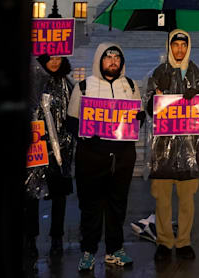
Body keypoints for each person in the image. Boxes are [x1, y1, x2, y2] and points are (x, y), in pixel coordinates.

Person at [67, 43, 144, 271]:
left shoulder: (130, 86)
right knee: (90, 206)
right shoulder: (83, 87)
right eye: (108, 57)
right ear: (99, 60)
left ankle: (114, 250)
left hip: (122, 157)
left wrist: (139, 117)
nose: (113, 61)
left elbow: (138, 119)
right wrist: (88, 136)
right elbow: (71, 121)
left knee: (117, 205)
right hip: (91, 157)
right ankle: (88, 251)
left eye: (117, 58)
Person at [144, 30, 199, 261]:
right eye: (176, 45)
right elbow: (148, 108)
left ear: (188, 47)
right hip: (162, 148)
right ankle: (164, 241)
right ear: (169, 47)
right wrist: (156, 96)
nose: (179, 49)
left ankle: (183, 241)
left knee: (186, 199)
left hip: (189, 147)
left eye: (183, 45)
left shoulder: (198, 75)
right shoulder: (159, 73)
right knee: (161, 198)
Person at [24, 54, 76, 262]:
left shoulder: (68, 84)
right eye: (50, 58)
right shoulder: (33, 82)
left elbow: (75, 115)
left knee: (59, 196)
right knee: (31, 195)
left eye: (59, 58)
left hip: (60, 151)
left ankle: (57, 237)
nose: (55, 62)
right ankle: (31, 239)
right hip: (36, 145)